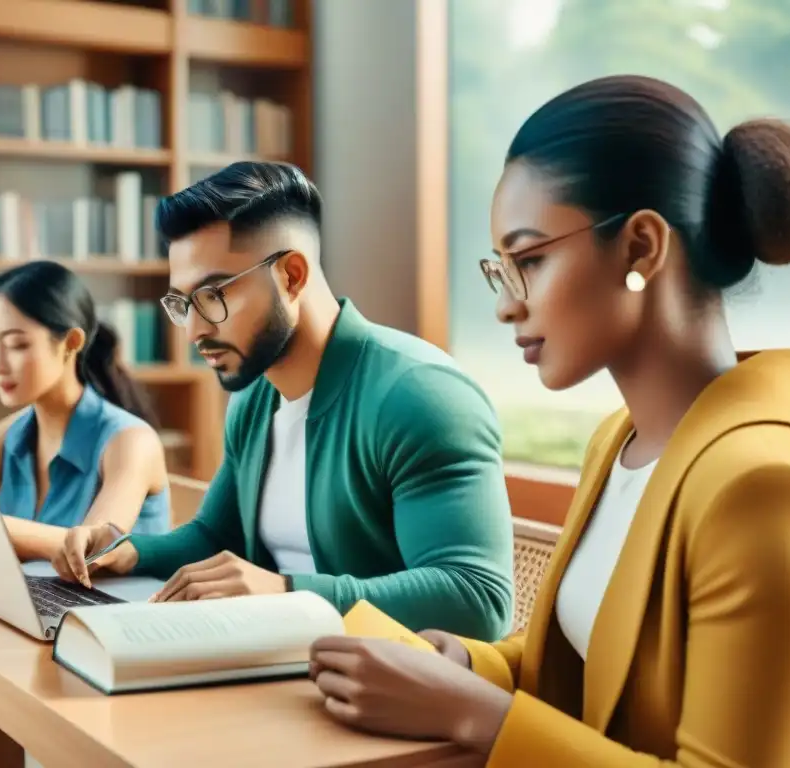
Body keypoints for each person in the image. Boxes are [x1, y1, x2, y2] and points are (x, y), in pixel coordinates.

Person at [307, 75, 790, 766]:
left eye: (529, 259)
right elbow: (600, 655)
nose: (505, 307)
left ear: (642, 247)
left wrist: (481, 718)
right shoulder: (619, 442)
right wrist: (468, 666)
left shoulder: (769, 486)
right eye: (501, 269)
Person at [56, 160, 516, 642]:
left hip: (380, 689)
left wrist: (285, 593)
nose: (194, 330)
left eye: (213, 295)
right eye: (182, 304)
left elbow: (478, 600)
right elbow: (217, 536)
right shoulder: (256, 396)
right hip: (276, 664)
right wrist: (130, 553)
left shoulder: (419, 396)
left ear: (292, 275)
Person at [0, 260, 171, 767]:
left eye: (16, 344)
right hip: (22, 633)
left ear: (70, 343)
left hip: (100, 654)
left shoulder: (129, 440)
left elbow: (99, 548)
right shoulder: (15, 430)